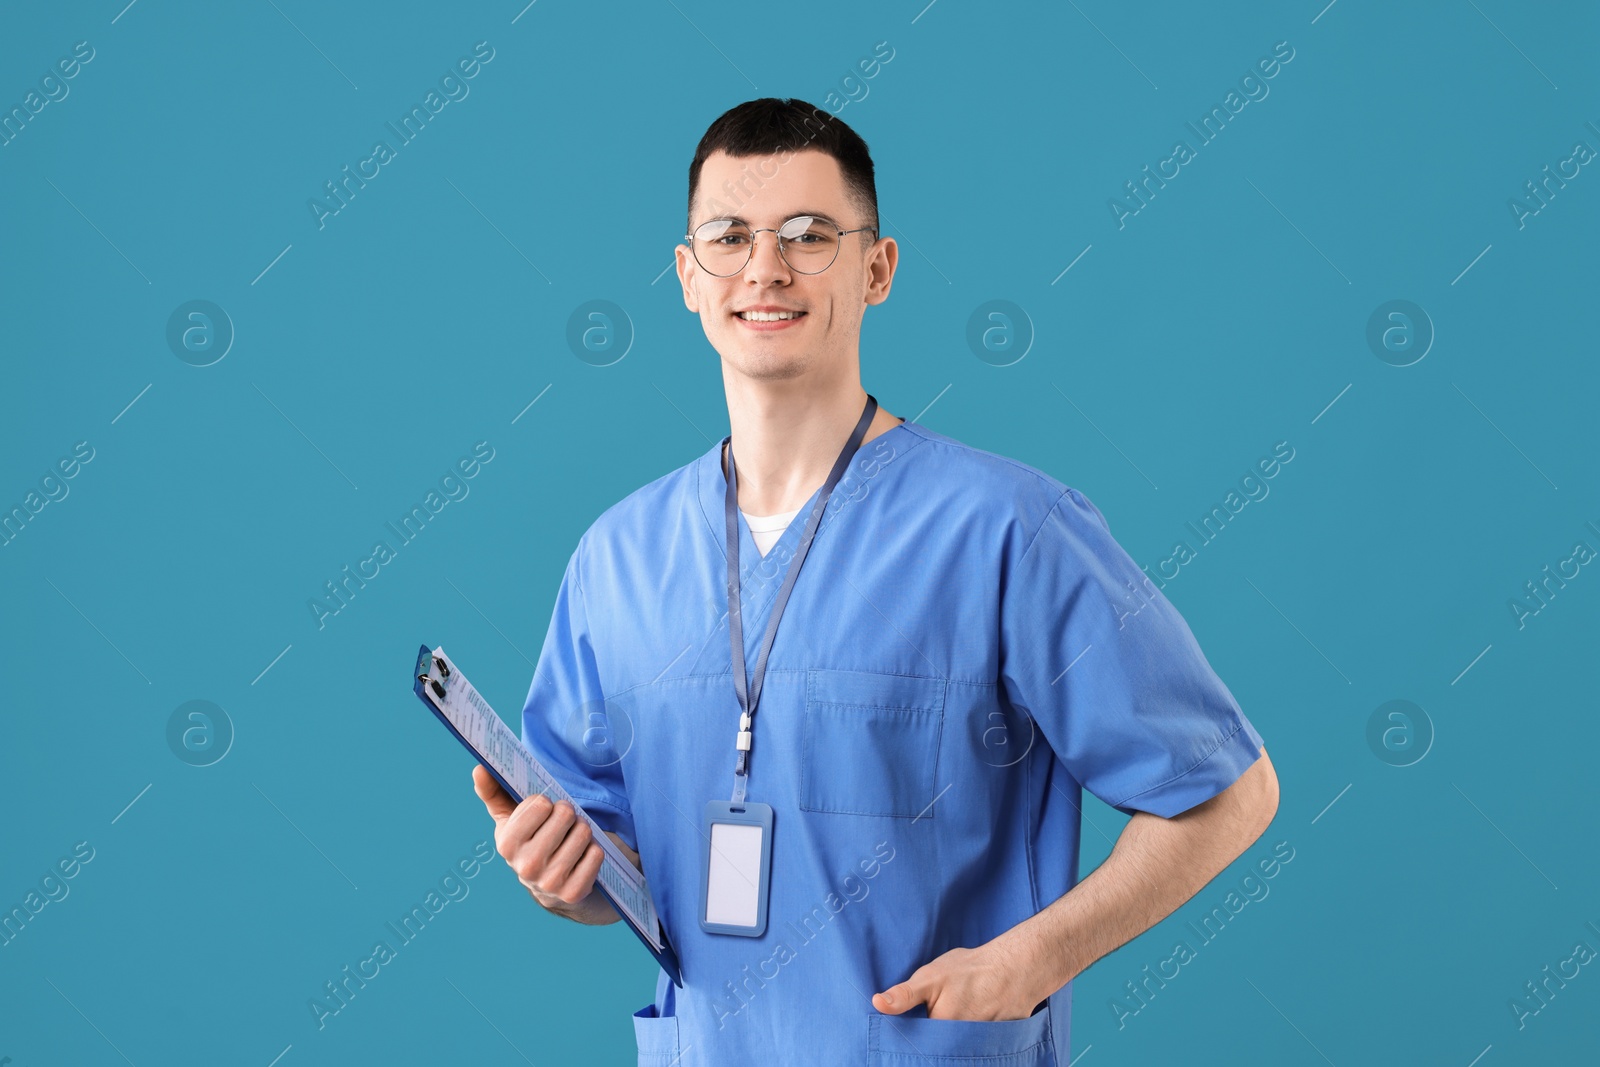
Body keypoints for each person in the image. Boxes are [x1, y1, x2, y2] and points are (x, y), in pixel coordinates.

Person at [472, 97, 1280, 1066]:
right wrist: (562, 877)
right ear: (688, 276)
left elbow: (1227, 791)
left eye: (808, 235)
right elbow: (607, 858)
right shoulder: (616, 558)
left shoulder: (1007, 530)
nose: (764, 268)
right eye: (729, 236)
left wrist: (1037, 955)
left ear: (876, 268)